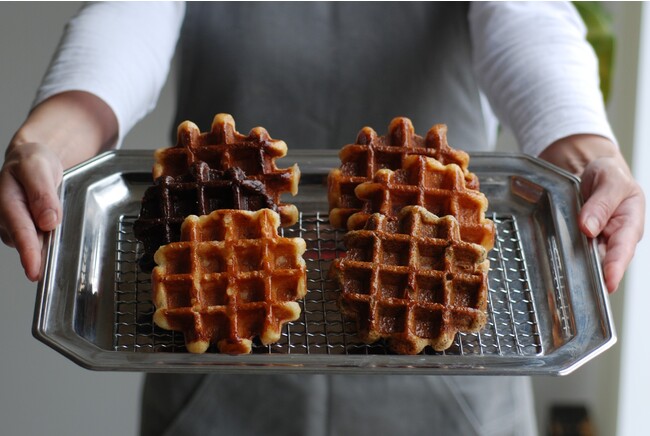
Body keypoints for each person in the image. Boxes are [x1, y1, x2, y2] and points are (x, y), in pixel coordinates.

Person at [0, 2, 644, 436]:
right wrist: (52, 138)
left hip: (453, 373)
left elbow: (527, 15)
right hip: (220, 369)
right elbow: (131, 13)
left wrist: (585, 152)